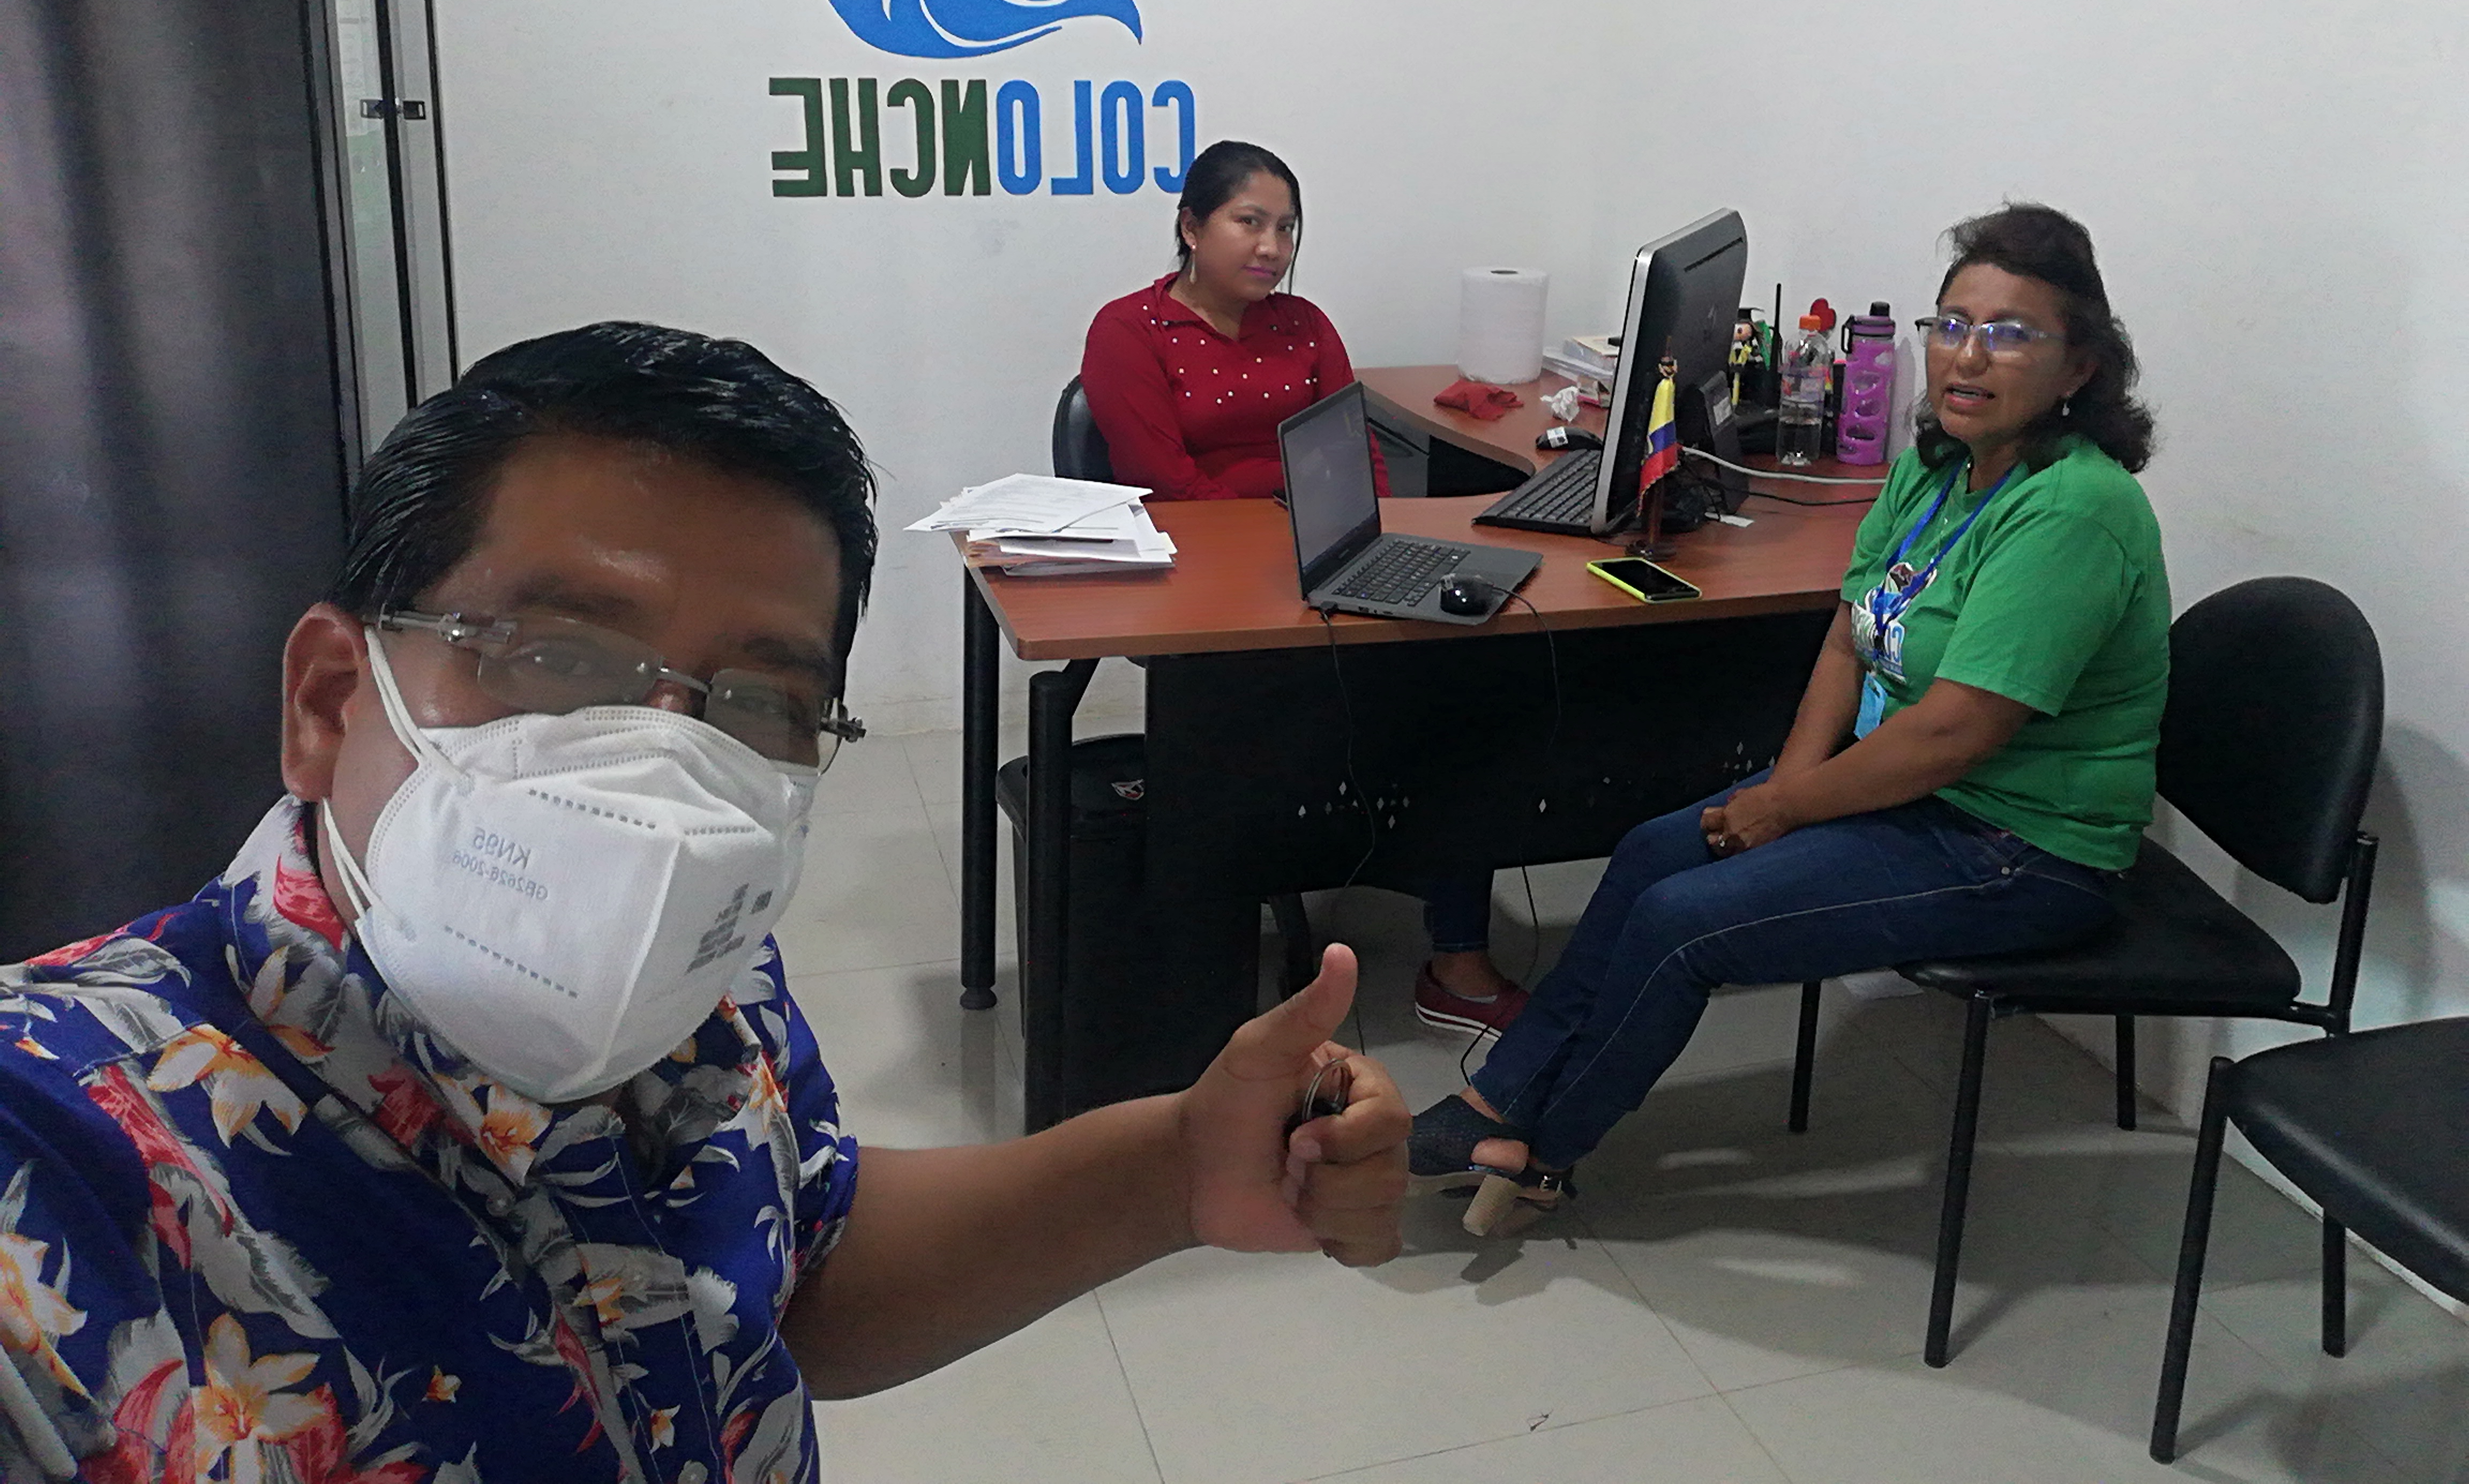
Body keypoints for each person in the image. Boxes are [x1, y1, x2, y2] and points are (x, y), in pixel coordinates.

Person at [0, 323, 1409, 1480]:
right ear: (327, 701)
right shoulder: (62, 1169)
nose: (657, 775)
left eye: (756, 702)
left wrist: (1171, 1168)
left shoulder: (706, 961)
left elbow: (791, 1263)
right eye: (558, 657)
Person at [1410, 203, 2167, 1235]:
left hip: (2019, 846)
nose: (1968, 355)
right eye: (1952, 324)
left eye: (2010, 333)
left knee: (1684, 922)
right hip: (1913, 792)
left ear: (2080, 366)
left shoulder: (2074, 509)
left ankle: (1543, 1153)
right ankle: (1501, 1098)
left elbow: (1955, 733)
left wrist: (1785, 810)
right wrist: (1787, 792)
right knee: (1650, 853)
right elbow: (1849, 640)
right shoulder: (1941, 464)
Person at [1079, 139, 1523, 1041]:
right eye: (1249, 222)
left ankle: (1456, 956)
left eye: (1286, 229)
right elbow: (1172, 491)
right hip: (1208, 589)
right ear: (1191, 226)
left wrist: (1358, 532)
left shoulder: (1306, 324)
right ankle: (1232, 919)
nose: (1272, 247)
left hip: (1326, 564)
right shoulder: (1129, 332)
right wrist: (1286, 513)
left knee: (1468, 688)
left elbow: (1358, 456)